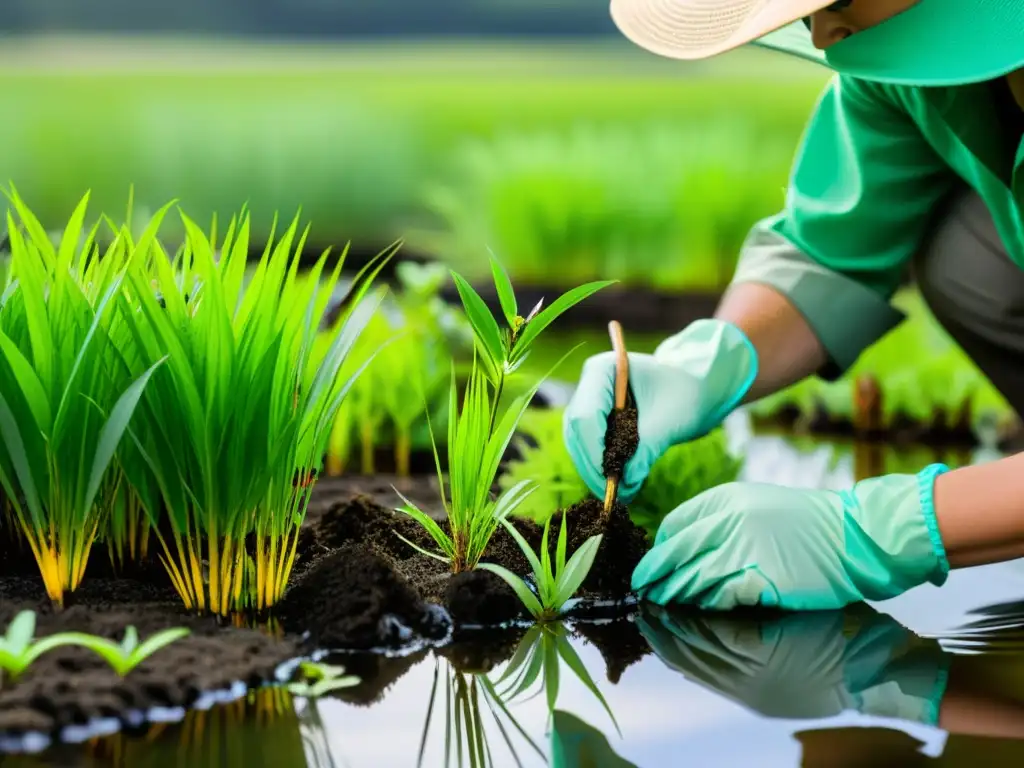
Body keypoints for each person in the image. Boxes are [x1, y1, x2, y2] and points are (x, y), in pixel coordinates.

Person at [562, 0, 1024, 611]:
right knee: (960, 250)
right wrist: (703, 365)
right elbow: (829, 249)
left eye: (837, 1)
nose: (824, 33)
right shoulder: (909, 68)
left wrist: (877, 532)